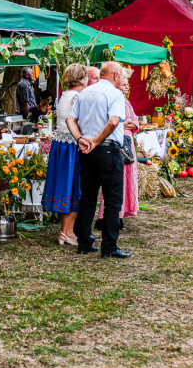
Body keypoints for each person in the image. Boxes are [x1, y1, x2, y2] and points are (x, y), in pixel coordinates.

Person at [67, 61, 130, 258]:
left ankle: (84, 243)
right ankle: (109, 247)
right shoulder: (115, 94)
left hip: (87, 151)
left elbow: (70, 119)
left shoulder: (85, 92)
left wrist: (80, 139)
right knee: (112, 199)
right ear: (116, 76)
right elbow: (113, 121)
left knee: (87, 197)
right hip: (108, 149)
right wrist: (96, 140)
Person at [44, 64, 88, 246]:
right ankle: (68, 231)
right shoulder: (78, 97)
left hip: (60, 146)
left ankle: (65, 230)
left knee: (65, 188)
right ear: (81, 78)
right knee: (75, 188)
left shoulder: (64, 95)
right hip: (72, 146)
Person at [96, 69, 140, 224]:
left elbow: (134, 122)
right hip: (115, 142)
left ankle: (122, 213)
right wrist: (124, 123)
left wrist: (125, 123)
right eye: (124, 84)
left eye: (128, 85)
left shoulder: (126, 102)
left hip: (127, 144)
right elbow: (116, 122)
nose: (127, 87)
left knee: (126, 178)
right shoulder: (113, 100)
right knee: (114, 181)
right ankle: (109, 217)